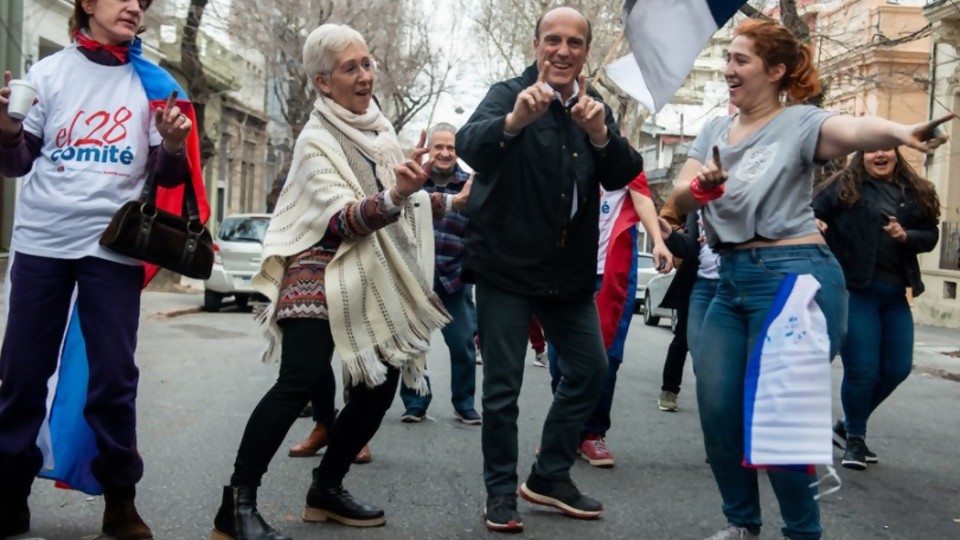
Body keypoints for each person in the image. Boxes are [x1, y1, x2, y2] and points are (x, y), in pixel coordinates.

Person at [670, 19, 949, 540]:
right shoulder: (713, 131)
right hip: (729, 280)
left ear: (775, 71)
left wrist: (898, 132)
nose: (728, 70)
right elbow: (679, 198)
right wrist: (701, 186)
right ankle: (742, 524)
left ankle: (802, 532)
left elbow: (851, 130)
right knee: (717, 408)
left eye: (740, 61)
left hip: (795, 278)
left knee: (776, 418)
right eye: (727, 59)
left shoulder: (800, 122)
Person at [208, 23, 449, 540]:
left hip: (374, 267)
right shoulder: (316, 140)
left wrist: (438, 197)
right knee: (298, 380)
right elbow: (339, 220)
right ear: (322, 82)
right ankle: (237, 503)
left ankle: (327, 487)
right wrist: (393, 199)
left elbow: (406, 198)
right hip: (317, 266)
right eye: (350, 68)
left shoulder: (381, 132)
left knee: (379, 383)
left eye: (367, 64)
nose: (364, 76)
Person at [0, 0, 196, 537]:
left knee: (113, 378)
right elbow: (15, 162)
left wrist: (174, 145)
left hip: (113, 248)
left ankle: (120, 500)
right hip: (42, 243)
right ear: (87, 3)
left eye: (143, 1)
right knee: (21, 374)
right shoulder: (48, 73)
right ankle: (9, 493)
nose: (134, 6)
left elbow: (169, 179)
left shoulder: (155, 84)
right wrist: (7, 130)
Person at [456, 6, 643, 533]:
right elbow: (471, 147)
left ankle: (549, 475)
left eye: (575, 43)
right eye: (553, 40)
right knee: (503, 388)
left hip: (568, 272)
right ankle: (500, 491)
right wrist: (515, 121)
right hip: (506, 267)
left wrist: (602, 134)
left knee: (589, 368)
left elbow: (625, 173)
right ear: (537, 45)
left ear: (586, 51)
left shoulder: (592, 105)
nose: (563, 51)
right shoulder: (507, 93)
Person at [813, 148, 940, 470]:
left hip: (897, 294)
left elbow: (930, 236)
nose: (879, 154)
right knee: (863, 369)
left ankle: (845, 426)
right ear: (863, 154)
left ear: (895, 154)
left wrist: (906, 234)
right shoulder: (842, 187)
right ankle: (855, 440)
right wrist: (815, 222)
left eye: (886, 148)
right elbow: (809, 213)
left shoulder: (915, 191)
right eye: (872, 148)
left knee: (897, 368)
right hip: (856, 291)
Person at [546, 172, 670, 467]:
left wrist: (657, 241)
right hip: (564, 272)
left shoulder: (623, 161)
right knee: (558, 358)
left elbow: (642, 200)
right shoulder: (565, 152)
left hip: (611, 273)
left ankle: (593, 433)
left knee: (606, 356)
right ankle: (565, 432)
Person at [398, 122, 481, 426]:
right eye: (439, 147)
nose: (445, 153)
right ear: (429, 150)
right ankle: (415, 401)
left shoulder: (471, 184)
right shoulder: (413, 182)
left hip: (454, 282)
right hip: (415, 280)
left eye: (451, 147)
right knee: (413, 345)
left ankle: (464, 403)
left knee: (462, 345)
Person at [655, 205, 721, 413]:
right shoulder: (694, 202)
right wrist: (669, 236)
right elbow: (686, 242)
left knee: (721, 348)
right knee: (684, 339)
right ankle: (670, 390)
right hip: (697, 282)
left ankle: (723, 399)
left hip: (734, 282)